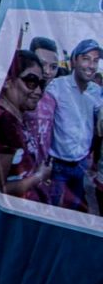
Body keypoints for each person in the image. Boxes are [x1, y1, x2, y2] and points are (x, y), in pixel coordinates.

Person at [45, 38, 103, 212]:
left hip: (81, 165)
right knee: (52, 212)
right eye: (86, 59)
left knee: (74, 211)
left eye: (95, 61)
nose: (91, 65)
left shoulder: (96, 91)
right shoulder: (57, 87)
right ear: (74, 61)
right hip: (57, 167)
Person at [0, 50, 50, 198]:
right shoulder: (2, 122)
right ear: (7, 81)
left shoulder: (15, 118)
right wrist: (40, 176)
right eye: (31, 82)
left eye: (42, 84)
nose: (38, 91)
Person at [23, 36, 60, 170]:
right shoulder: (17, 95)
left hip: (41, 172)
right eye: (42, 64)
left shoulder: (52, 100)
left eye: (53, 67)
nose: (48, 72)